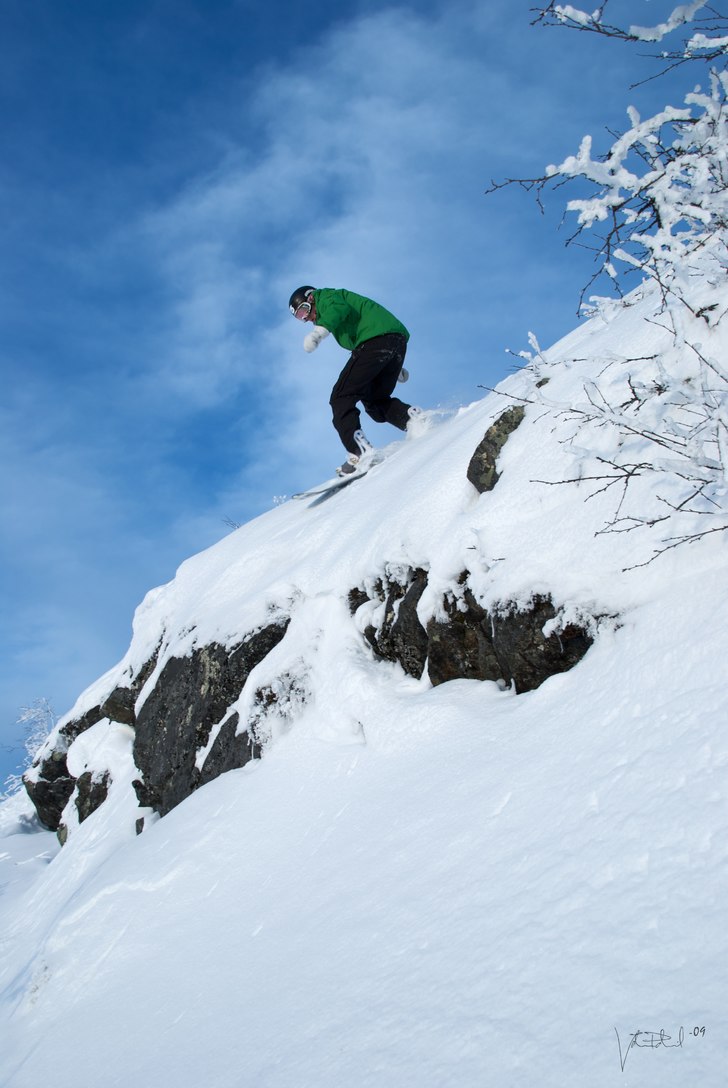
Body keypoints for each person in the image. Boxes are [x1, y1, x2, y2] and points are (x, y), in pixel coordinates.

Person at [288, 285, 420, 476]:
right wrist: (393, 367)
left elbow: (338, 309)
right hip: (393, 342)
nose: (306, 318)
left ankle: (359, 452)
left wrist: (317, 334)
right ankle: (413, 420)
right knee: (374, 402)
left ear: (310, 299)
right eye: (300, 317)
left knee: (341, 397)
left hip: (376, 340)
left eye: (304, 311)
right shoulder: (339, 322)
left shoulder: (326, 297)